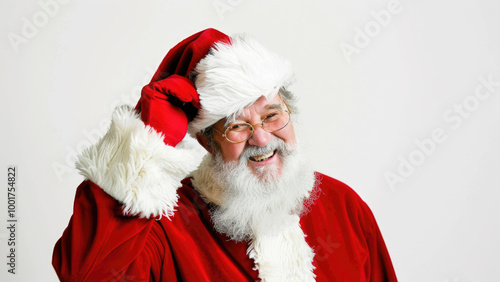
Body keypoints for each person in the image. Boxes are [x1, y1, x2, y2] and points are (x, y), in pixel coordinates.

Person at [52, 28, 397, 281]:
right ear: (207, 141)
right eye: (237, 126)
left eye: (272, 115)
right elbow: (88, 275)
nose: (261, 137)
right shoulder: (166, 228)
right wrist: (143, 143)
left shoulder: (345, 207)